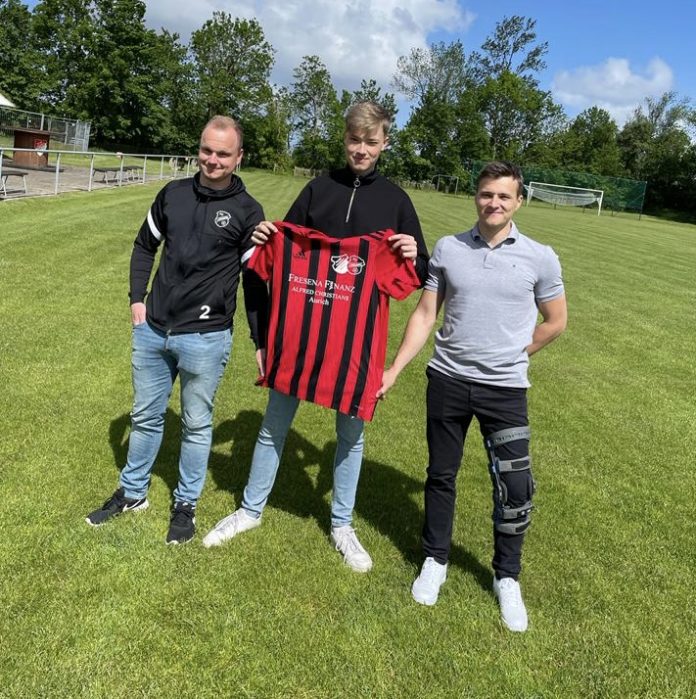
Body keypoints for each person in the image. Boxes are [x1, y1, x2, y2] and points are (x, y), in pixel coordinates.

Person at [203, 101, 430, 571]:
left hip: (355, 347)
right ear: (344, 139)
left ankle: (342, 523)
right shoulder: (317, 188)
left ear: (385, 143)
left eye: (370, 142)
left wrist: (412, 252)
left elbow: (417, 276)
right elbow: (274, 251)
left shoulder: (396, 200)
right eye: (354, 140)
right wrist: (266, 236)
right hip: (299, 339)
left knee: (350, 434)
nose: (361, 150)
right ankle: (249, 510)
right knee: (273, 425)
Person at [378, 161, 567, 631]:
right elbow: (425, 314)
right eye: (487, 194)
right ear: (476, 197)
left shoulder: (540, 256)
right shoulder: (448, 249)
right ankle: (435, 560)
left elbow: (556, 320)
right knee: (441, 475)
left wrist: (518, 352)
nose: (494, 203)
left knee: (515, 486)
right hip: (447, 380)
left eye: (504, 196)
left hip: (505, 389)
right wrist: (395, 368)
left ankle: (507, 576)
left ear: (519, 201)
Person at [86, 116, 267, 545]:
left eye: (223, 153)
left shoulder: (248, 212)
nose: (212, 160)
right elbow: (144, 245)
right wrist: (136, 299)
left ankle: (185, 506)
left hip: (205, 337)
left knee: (196, 424)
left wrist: (260, 339)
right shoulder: (173, 194)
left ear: (239, 157)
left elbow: (257, 283)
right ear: (198, 149)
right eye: (207, 150)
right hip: (153, 330)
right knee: (145, 416)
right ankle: (133, 493)